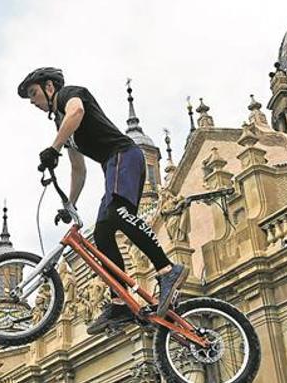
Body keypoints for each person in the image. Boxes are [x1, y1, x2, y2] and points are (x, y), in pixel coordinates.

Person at [17, 67, 186, 335]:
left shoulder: (70, 96)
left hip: (124, 156)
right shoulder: (62, 124)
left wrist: (53, 148)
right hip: (112, 165)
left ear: (50, 87)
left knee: (118, 212)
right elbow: (78, 169)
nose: (33, 102)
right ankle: (120, 303)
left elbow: (78, 112)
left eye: (34, 94)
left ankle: (167, 269)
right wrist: (69, 205)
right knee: (103, 233)